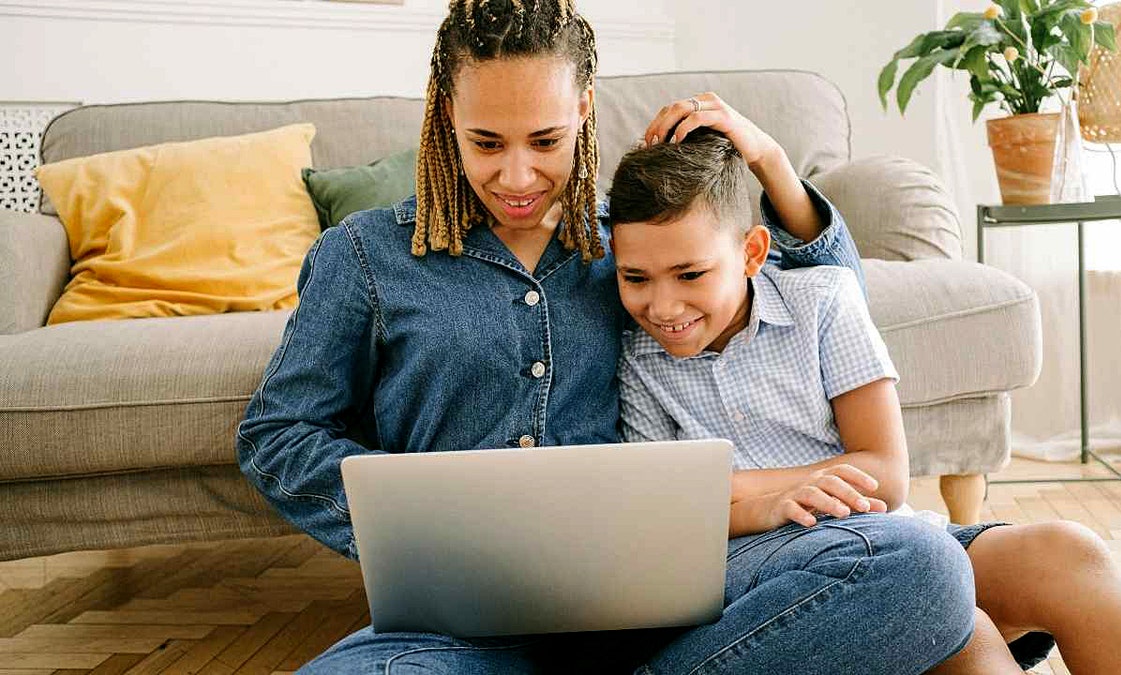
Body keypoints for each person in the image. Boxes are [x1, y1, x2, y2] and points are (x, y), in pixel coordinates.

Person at [236, 0, 979, 672]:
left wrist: (766, 157)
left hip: (666, 605)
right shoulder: (368, 254)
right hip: (455, 626)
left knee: (919, 567)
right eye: (486, 142)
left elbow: (820, 289)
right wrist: (413, 526)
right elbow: (278, 433)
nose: (517, 173)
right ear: (443, 114)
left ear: (585, 111)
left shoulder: (631, 251)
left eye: (546, 139)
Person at [609, 124, 1121, 675]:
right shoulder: (637, 358)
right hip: (759, 568)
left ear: (753, 254)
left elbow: (885, 475)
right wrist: (770, 500)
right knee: (959, 623)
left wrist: (738, 486)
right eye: (636, 278)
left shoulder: (822, 302)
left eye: (690, 275)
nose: (662, 307)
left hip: (891, 537)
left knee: (1065, 551)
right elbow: (676, 513)